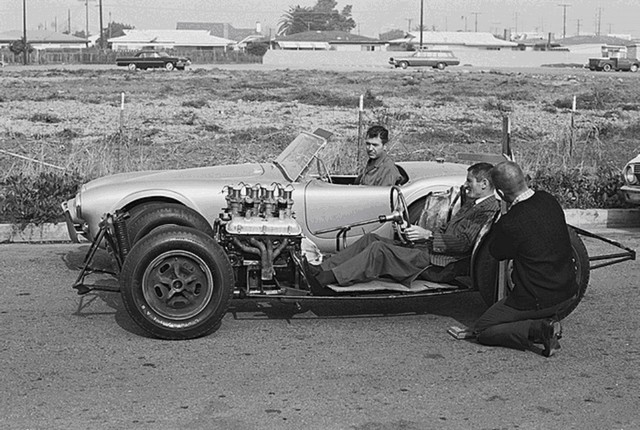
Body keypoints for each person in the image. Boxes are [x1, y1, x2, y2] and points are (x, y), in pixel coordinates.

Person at [305, 162, 499, 290]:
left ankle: (327, 278)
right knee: (371, 238)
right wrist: (419, 232)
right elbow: (447, 229)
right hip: (431, 251)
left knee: (379, 251)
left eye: (469, 181)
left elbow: (464, 244)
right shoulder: (473, 204)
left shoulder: (487, 209)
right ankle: (321, 268)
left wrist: (428, 237)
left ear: (484, 184)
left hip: (442, 263)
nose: (465, 185)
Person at [473, 161, 579, 357]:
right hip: (569, 291)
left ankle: (540, 328)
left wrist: (498, 223)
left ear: (501, 194)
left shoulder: (511, 222)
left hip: (537, 297)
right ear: (524, 179)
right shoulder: (549, 200)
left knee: (482, 329)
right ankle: (548, 321)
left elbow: (497, 252)